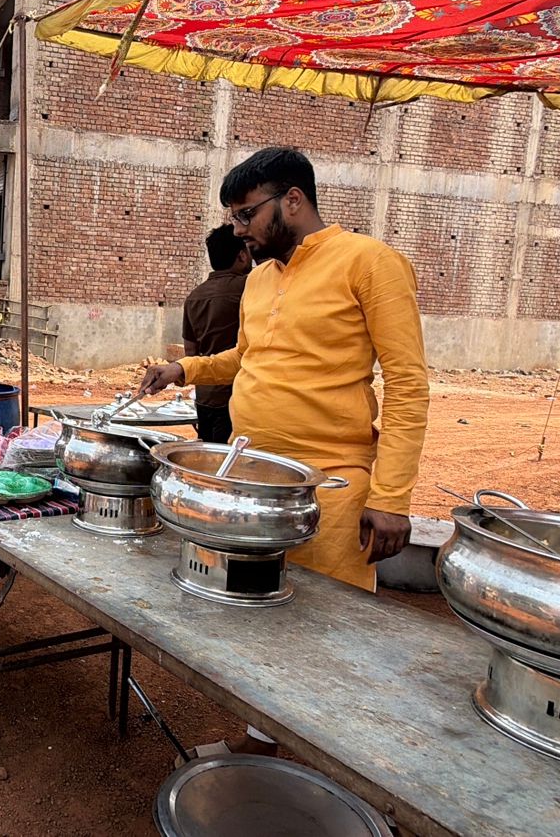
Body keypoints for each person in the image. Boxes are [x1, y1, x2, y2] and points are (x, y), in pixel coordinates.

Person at [140, 147, 429, 755]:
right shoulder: (259, 278)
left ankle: (332, 764)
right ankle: (263, 744)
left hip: (330, 485)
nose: (238, 230)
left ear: (292, 200)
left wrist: (392, 496)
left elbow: (407, 383)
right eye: (234, 218)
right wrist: (184, 369)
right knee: (261, 616)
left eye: (246, 214)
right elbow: (248, 357)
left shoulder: (370, 263)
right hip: (252, 480)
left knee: (325, 632)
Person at [182, 225, 251, 443]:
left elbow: (190, 352)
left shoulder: (195, 296)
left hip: (204, 395)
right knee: (230, 457)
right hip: (235, 397)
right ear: (242, 255)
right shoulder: (250, 287)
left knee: (207, 453)